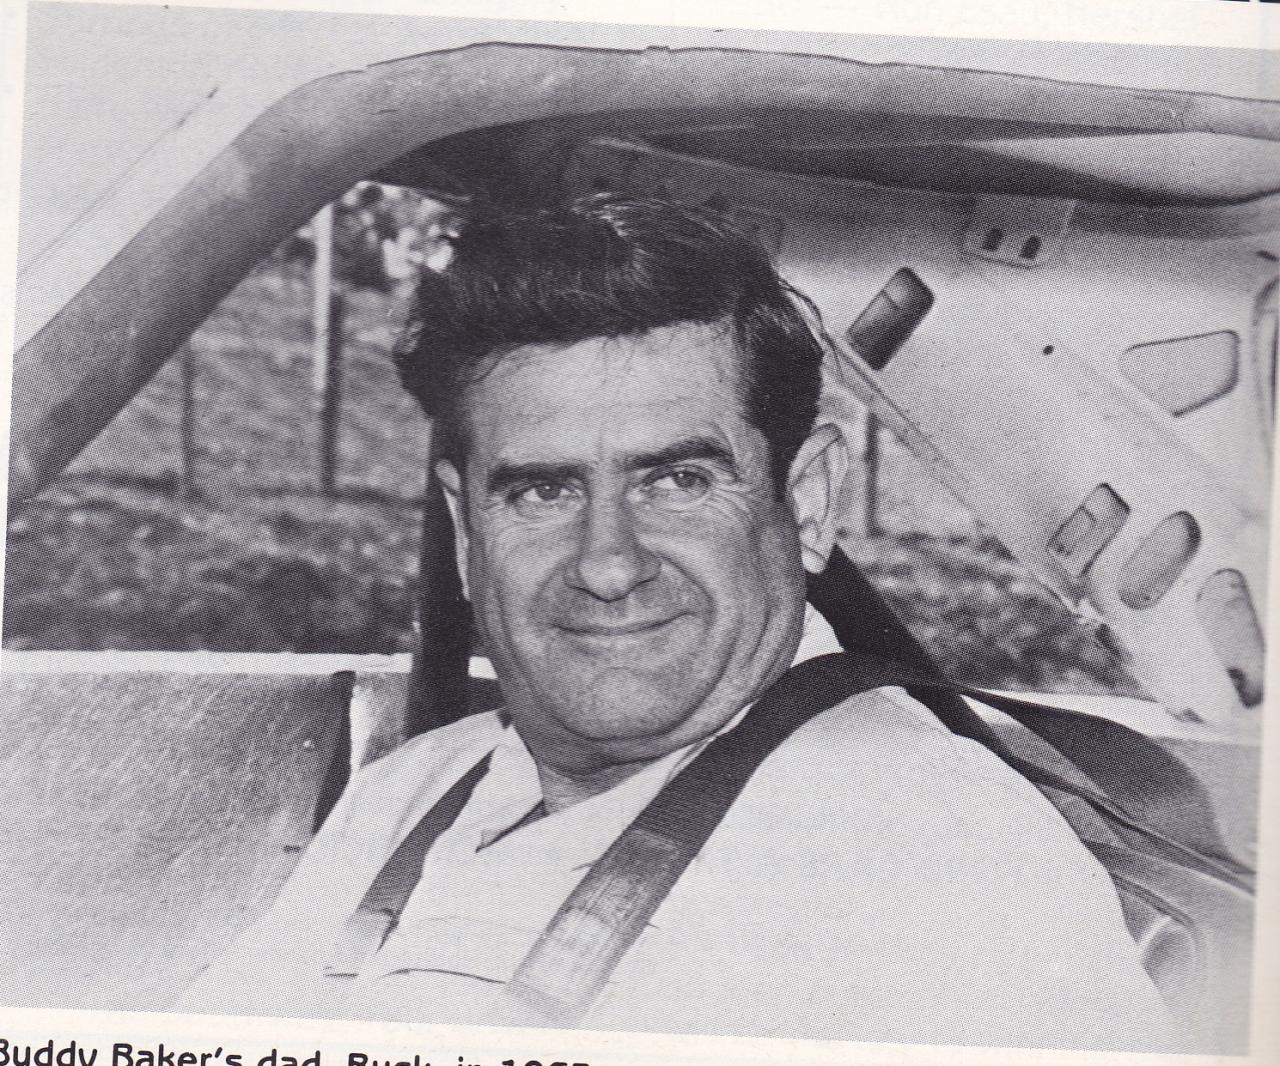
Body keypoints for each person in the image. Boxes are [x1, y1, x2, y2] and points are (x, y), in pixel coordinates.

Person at [178, 196, 1175, 1051]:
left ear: (809, 501)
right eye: (541, 492)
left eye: (678, 481)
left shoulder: (931, 858)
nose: (607, 563)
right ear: (466, 525)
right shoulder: (413, 791)